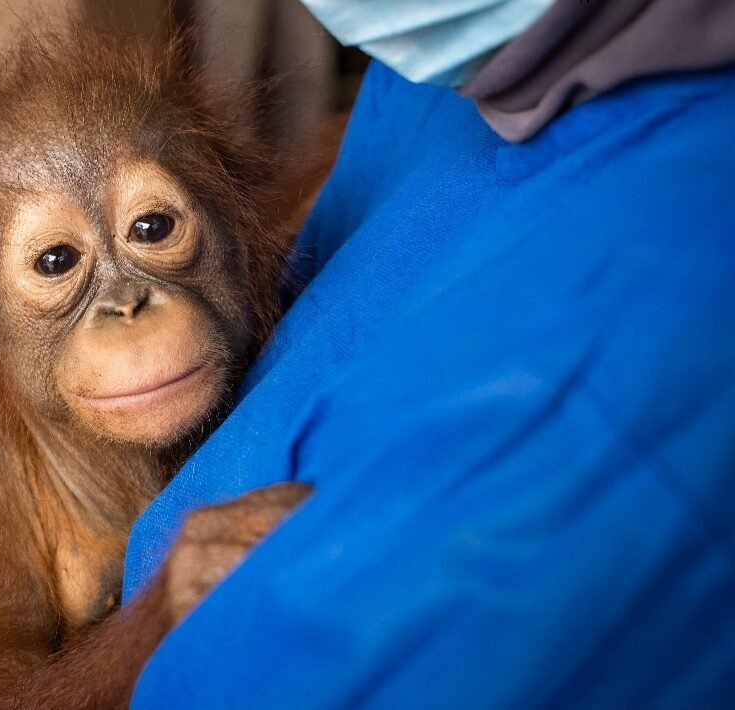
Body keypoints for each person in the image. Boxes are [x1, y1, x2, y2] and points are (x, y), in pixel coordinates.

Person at [124, 0, 735, 706]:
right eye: (55, 262)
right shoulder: (470, 59)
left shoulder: (613, 402)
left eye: (152, 227)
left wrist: (133, 635)